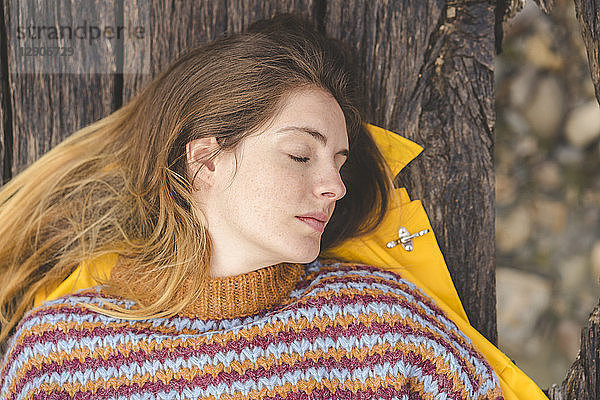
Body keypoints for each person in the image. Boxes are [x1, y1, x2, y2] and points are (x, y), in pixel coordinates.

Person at [0, 14, 544, 400]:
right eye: (300, 154)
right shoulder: (56, 355)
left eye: (339, 162)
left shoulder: (384, 323)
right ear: (206, 160)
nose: (335, 186)